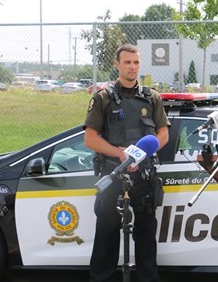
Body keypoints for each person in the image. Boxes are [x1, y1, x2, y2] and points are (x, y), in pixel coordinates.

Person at [84, 43, 170, 282]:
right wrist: (120, 154)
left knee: (145, 238)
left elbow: (163, 134)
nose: (132, 67)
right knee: (106, 238)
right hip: (113, 175)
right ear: (117, 65)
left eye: (136, 62)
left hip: (144, 178)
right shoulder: (103, 98)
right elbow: (90, 138)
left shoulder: (152, 98)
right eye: (127, 62)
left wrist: (140, 156)